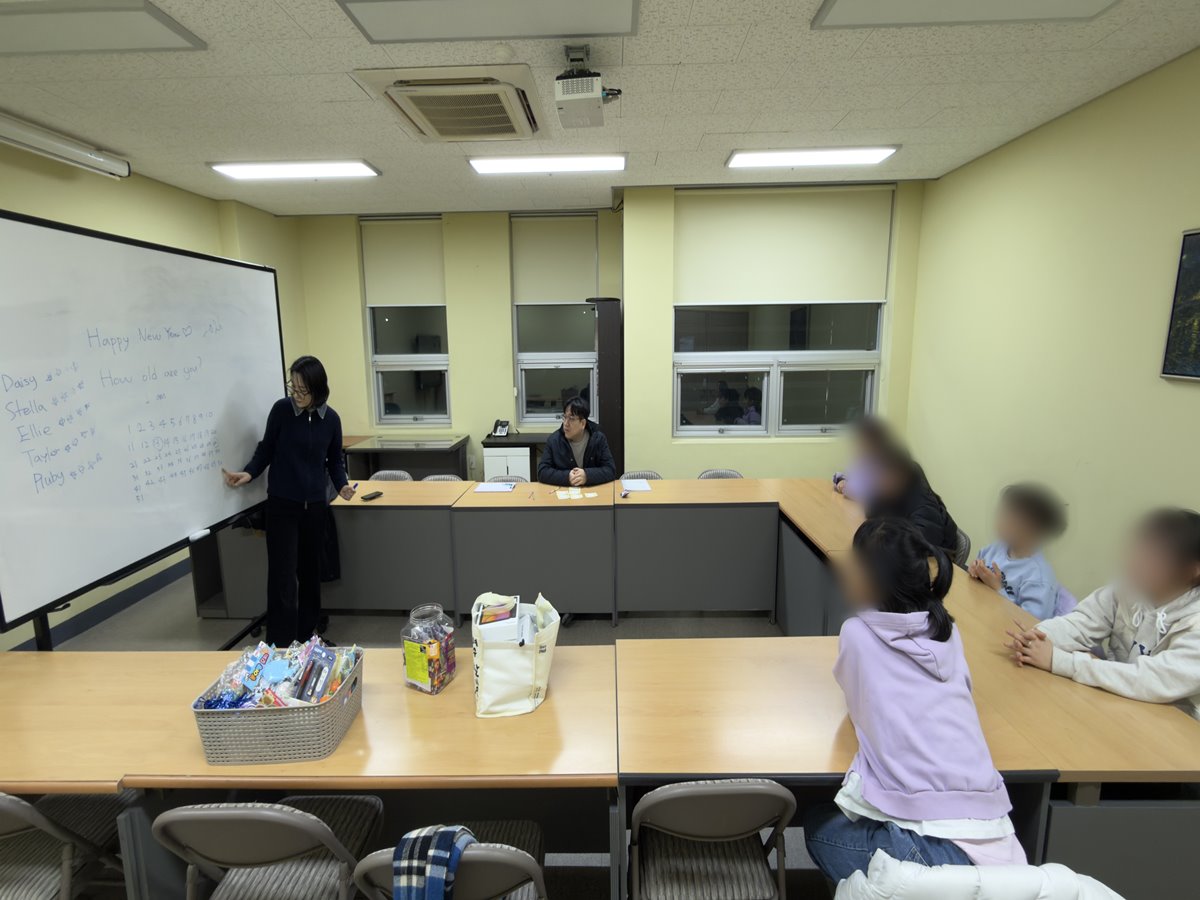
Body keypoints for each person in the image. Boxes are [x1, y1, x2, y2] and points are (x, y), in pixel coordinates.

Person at [805, 518, 1025, 883]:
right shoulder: (948, 633)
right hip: (997, 835)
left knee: (817, 826)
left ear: (871, 580)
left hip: (933, 850)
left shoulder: (857, 633)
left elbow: (855, 701)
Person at [1006, 508, 1200, 719]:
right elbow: (1082, 622)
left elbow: (1150, 680)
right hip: (1117, 703)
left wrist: (1061, 661)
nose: (1134, 561)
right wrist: (1039, 637)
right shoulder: (1128, 589)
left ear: (1192, 570)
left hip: (1171, 725)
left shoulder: (1194, 623)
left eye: (1152, 556)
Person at [222, 356, 354, 646]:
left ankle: (306, 637)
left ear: (318, 388)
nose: (296, 394)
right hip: (283, 505)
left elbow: (334, 461)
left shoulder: (331, 420)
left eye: (302, 389)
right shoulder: (282, 411)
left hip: (314, 508)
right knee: (282, 577)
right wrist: (249, 473)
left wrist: (342, 485)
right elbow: (266, 448)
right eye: (293, 387)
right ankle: (280, 644)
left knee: (310, 574)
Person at [969, 483, 1067, 620]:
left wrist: (997, 589)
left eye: (1008, 518)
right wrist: (975, 570)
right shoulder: (998, 547)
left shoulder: (1039, 578)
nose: (999, 522)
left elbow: (1029, 624)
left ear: (1030, 529)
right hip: (980, 612)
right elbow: (979, 563)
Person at [865, 442, 960, 560]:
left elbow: (919, 544)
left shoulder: (923, 504)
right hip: (907, 555)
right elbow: (872, 517)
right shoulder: (888, 492)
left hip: (935, 558)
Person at [537, 395, 616, 487]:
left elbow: (610, 470)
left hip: (592, 491)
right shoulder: (554, 440)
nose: (565, 423)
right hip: (564, 492)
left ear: (582, 423)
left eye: (571, 419)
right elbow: (542, 472)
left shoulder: (598, 439)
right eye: (565, 417)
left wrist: (587, 475)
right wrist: (567, 477)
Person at [833, 416, 895, 503]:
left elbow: (878, 496)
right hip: (850, 506)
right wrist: (841, 481)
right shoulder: (861, 460)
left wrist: (850, 491)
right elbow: (843, 475)